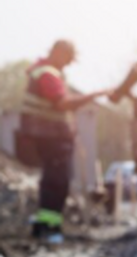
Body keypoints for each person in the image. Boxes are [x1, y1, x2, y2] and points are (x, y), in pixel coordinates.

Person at [19, 40, 112, 243]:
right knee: (56, 182)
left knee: (54, 180)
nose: (68, 64)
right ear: (58, 53)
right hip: (51, 138)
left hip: (51, 137)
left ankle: (47, 225)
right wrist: (94, 95)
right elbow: (63, 104)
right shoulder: (48, 74)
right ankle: (48, 228)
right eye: (68, 59)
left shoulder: (44, 72)